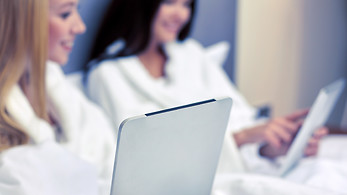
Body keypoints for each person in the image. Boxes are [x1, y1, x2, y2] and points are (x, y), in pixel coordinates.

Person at [85, 0, 327, 174]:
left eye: (187, 4)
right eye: (170, 2)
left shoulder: (191, 55)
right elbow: (143, 153)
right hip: (189, 181)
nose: (181, 15)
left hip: (239, 170)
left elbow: (240, 119)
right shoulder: (107, 74)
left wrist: (274, 145)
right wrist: (241, 138)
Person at [0, 0, 141, 195]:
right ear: (24, 22)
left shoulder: (61, 91)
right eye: (65, 14)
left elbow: (112, 161)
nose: (80, 27)